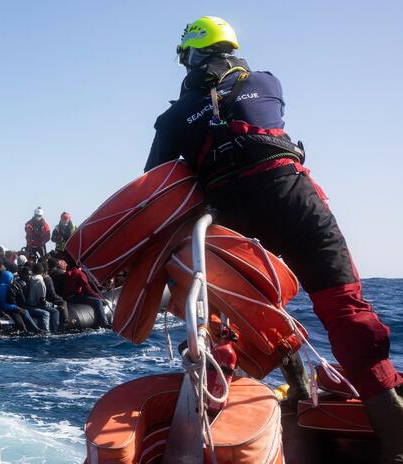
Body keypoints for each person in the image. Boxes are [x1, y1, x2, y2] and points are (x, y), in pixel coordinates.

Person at [145, 16, 403, 461]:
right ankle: (395, 435)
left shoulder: (171, 119)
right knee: (346, 309)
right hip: (292, 200)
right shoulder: (267, 81)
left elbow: (157, 182)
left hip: (232, 222)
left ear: (190, 56)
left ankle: (277, 398)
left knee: (243, 316)